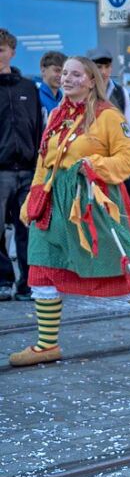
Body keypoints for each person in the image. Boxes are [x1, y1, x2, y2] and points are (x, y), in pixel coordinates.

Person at [9, 56, 130, 367]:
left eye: (75, 74)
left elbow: (127, 158)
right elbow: (44, 161)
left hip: (92, 203)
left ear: (91, 80)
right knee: (41, 265)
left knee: (117, 266)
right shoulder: (56, 114)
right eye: (64, 73)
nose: (66, 78)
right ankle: (46, 345)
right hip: (54, 203)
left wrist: (96, 166)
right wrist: (33, 198)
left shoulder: (108, 116)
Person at [0, 27, 43, 302]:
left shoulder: (28, 87)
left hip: (28, 169)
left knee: (28, 229)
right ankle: (4, 280)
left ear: (12, 52)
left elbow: (38, 127)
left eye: (1, 49)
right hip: (1, 170)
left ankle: (27, 283)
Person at [37, 51, 66, 121]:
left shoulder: (64, 99)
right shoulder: (35, 97)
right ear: (43, 70)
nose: (61, 76)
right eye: (57, 70)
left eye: (64, 72)